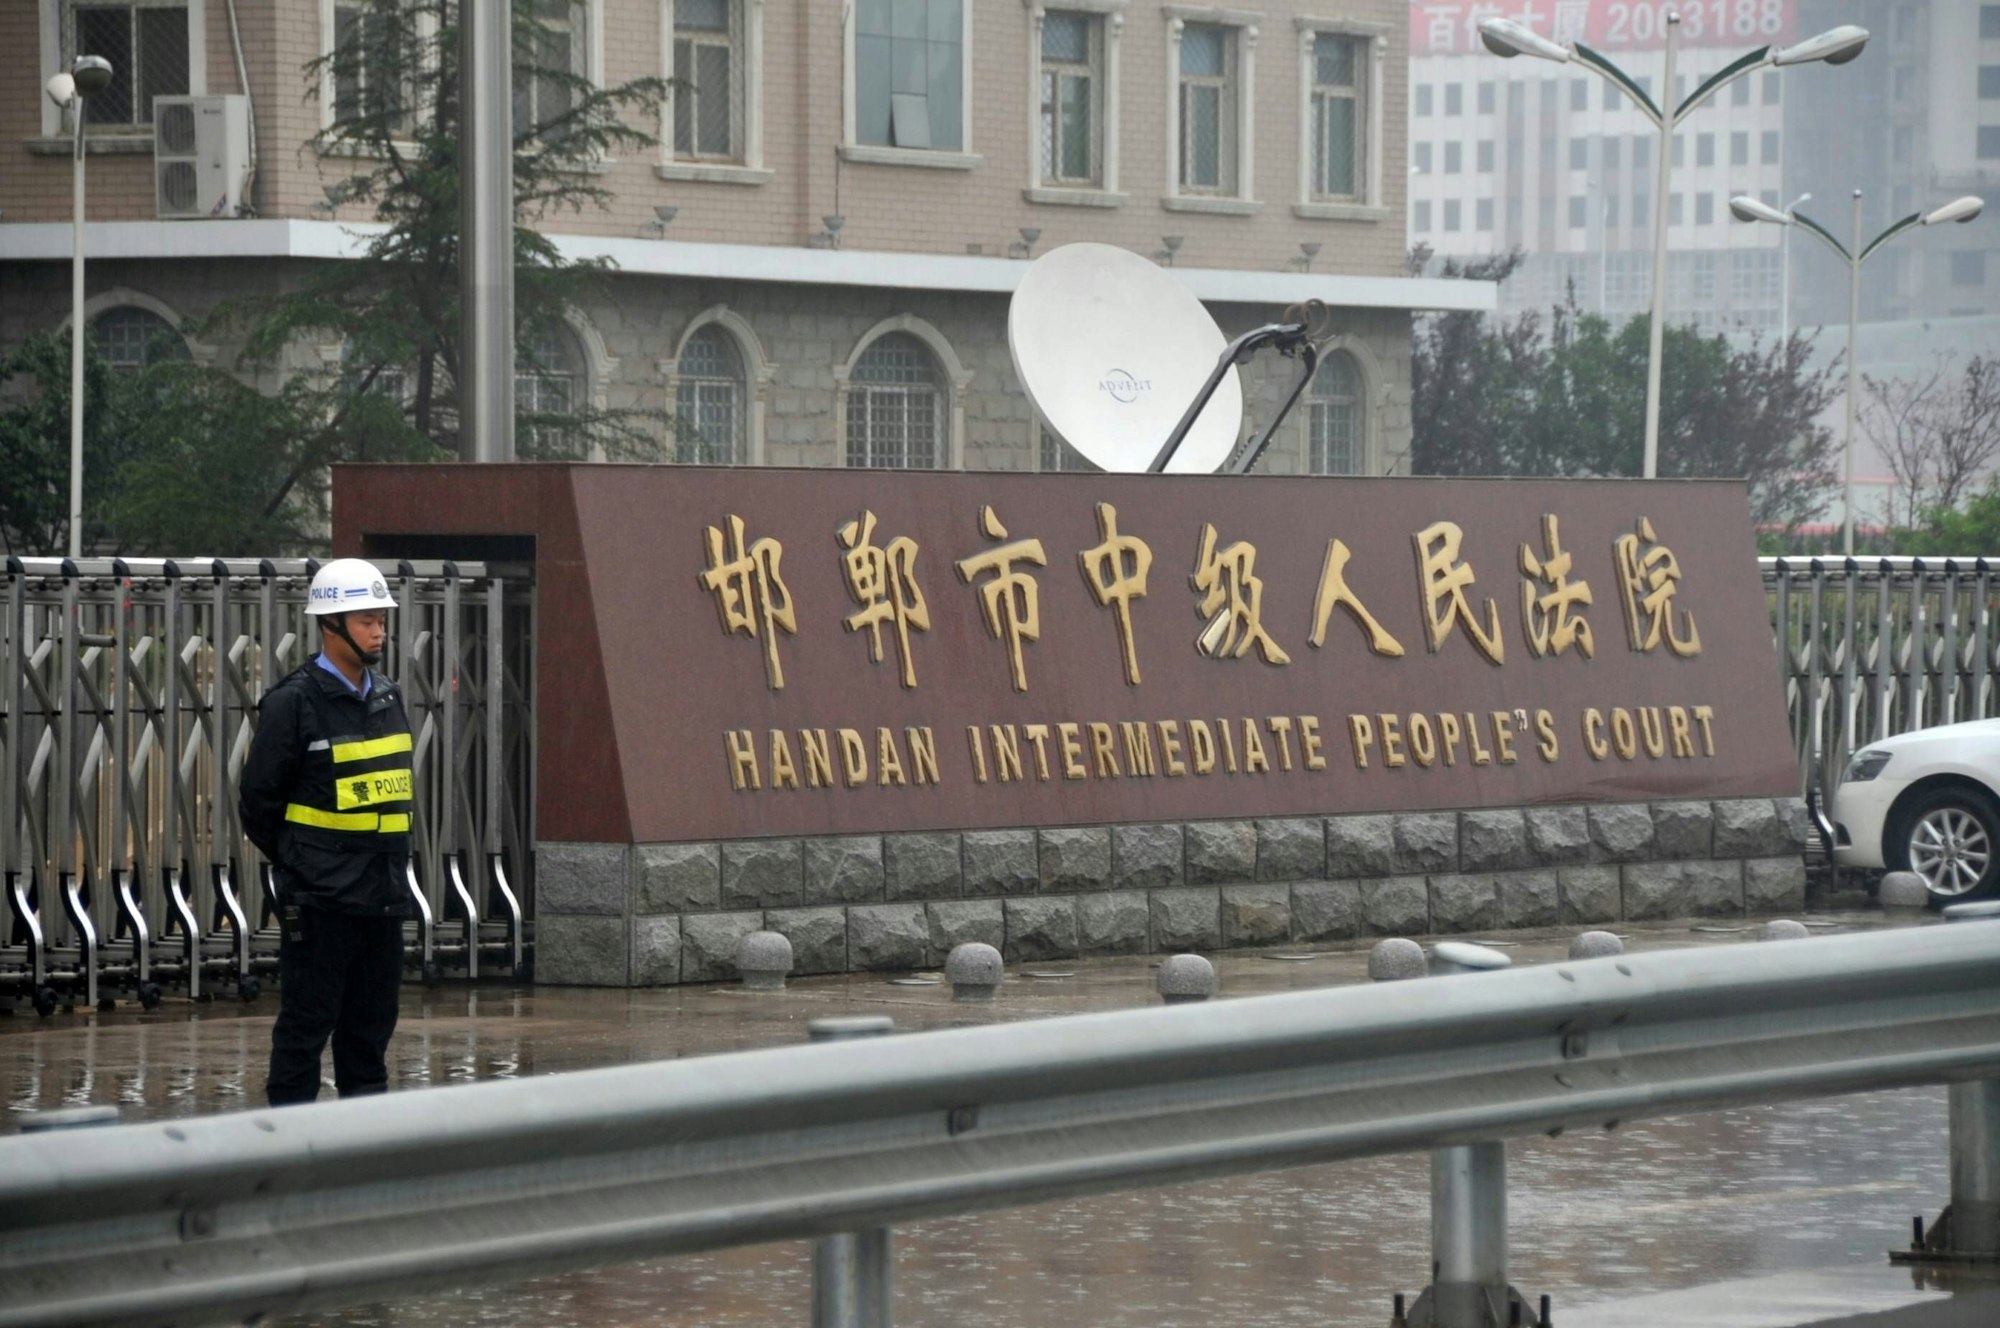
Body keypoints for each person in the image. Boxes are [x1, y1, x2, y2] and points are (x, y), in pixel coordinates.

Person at [240, 559, 415, 1106]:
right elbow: (258, 803)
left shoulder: (386, 696)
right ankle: (290, 1156)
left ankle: (361, 1160)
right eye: (366, 620)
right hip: (321, 901)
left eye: (382, 619)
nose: (379, 631)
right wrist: (305, 864)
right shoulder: (293, 702)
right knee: (305, 1030)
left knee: (369, 1038)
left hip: (381, 897)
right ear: (331, 624)